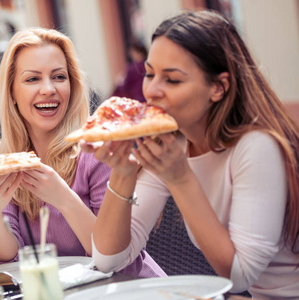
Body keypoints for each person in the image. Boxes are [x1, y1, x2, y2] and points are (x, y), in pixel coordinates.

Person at [82, 10, 299, 299]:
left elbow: (239, 276)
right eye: (149, 74)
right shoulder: (173, 144)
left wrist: (181, 178)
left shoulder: (256, 146)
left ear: (218, 87)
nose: (152, 91)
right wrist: (123, 172)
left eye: (172, 80)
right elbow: (108, 259)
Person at [0, 27, 165, 278]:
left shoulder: (97, 149)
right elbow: (8, 258)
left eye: (58, 77)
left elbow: (117, 259)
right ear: (12, 92)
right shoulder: (5, 156)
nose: (48, 89)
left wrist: (63, 198)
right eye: (32, 79)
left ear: (72, 85)